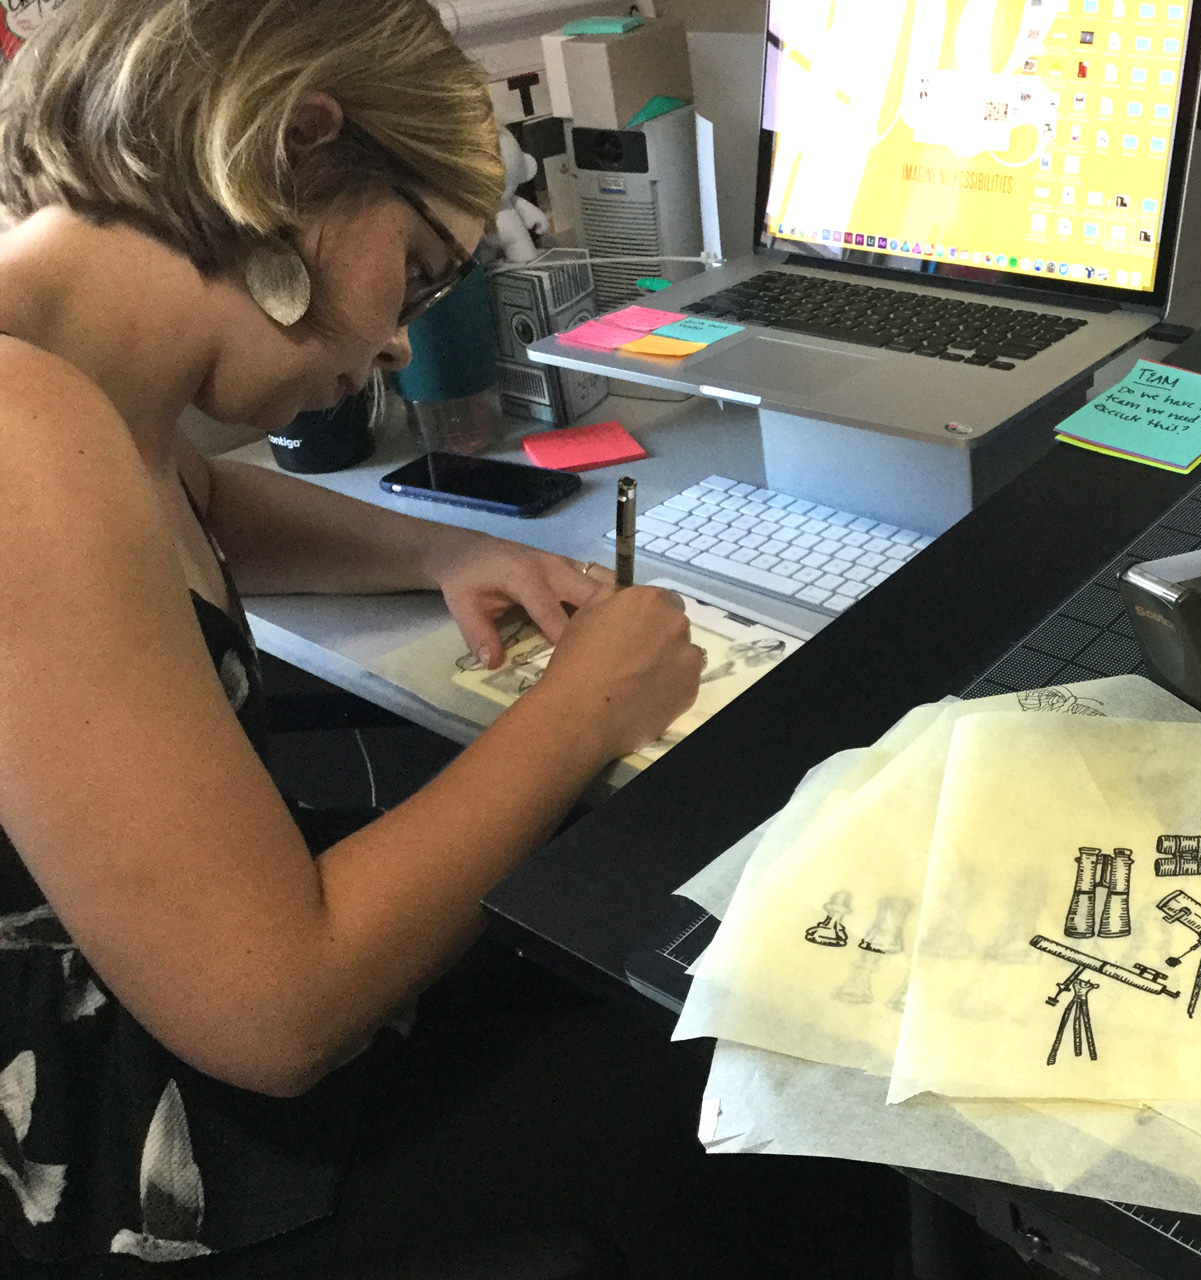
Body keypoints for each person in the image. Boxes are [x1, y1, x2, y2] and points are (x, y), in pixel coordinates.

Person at [0, 0, 728, 1270]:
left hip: (136, 1003)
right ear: (297, 149)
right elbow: (278, 1010)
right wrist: (583, 712)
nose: (400, 336)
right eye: (421, 262)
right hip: (98, 1158)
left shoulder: (66, 378)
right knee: (702, 1070)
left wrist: (447, 547)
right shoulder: (21, 441)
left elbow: (204, 496)